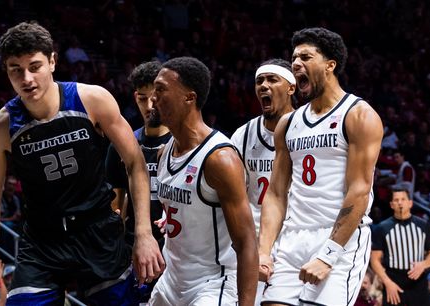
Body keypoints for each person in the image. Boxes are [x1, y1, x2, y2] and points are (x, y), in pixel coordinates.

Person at [0, 21, 164, 305]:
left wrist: (143, 234)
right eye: (16, 70)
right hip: (42, 241)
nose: (27, 78)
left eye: (34, 66)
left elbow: (135, 164)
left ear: (52, 61)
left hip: (98, 232)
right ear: (6, 71)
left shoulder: (92, 100)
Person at [258, 27, 383, 306]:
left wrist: (328, 254)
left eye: (306, 56)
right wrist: (264, 251)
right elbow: (276, 193)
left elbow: (360, 190)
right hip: (292, 238)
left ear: (330, 65)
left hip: (340, 239)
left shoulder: (359, 115)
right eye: (293, 58)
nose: (296, 64)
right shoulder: (288, 124)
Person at [148, 57, 258, 305]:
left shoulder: (220, 159)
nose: (152, 98)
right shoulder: (164, 152)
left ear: (189, 97)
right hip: (171, 281)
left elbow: (246, 241)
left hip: (211, 285)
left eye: (161, 89)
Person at [230, 58, 295, 305]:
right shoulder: (243, 135)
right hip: (255, 238)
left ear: (291, 87)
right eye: (259, 81)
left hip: (293, 235)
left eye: (272, 79)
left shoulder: (307, 131)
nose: (264, 86)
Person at [105, 60, 171, 248]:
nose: (150, 106)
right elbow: (115, 201)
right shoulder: (122, 145)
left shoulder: (184, 144)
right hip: (135, 244)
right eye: (143, 98)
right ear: (135, 97)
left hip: (177, 244)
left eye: (155, 98)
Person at [370, 187, 430, 306]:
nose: (400, 203)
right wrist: (387, 282)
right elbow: (374, 260)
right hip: (393, 280)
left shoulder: (423, 225)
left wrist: (423, 264)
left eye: (403, 199)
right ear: (391, 205)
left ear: (410, 203)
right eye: (396, 200)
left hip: (418, 281)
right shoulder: (382, 228)